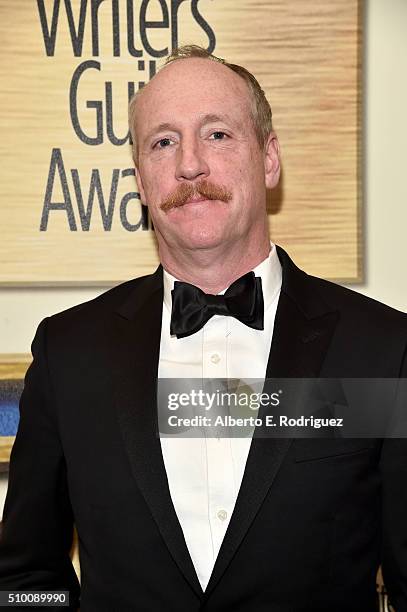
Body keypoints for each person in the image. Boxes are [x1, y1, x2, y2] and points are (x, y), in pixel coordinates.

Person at [0, 45, 406, 612]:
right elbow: (23, 581)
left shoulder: (383, 350)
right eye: (163, 142)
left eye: (217, 134)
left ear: (269, 159)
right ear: (141, 180)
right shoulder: (69, 353)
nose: (190, 165)